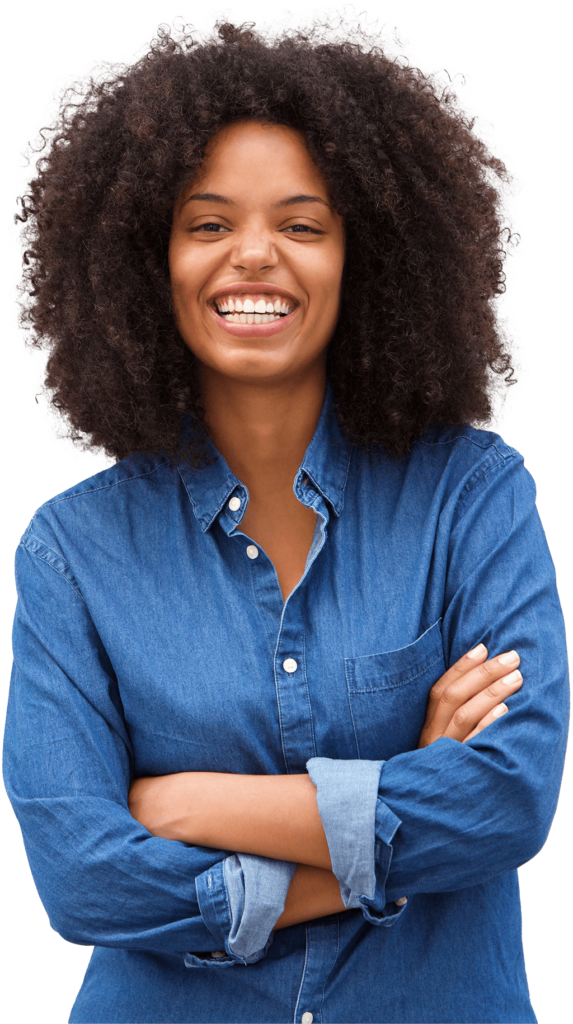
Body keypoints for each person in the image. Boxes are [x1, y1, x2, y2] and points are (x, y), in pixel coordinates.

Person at [3, 12, 569, 1024]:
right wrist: (396, 807)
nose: (254, 256)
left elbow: (507, 800)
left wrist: (189, 808)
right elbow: (84, 881)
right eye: (208, 222)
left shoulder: (471, 495)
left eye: (302, 224)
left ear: (369, 259)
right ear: (146, 260)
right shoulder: (72, 552)